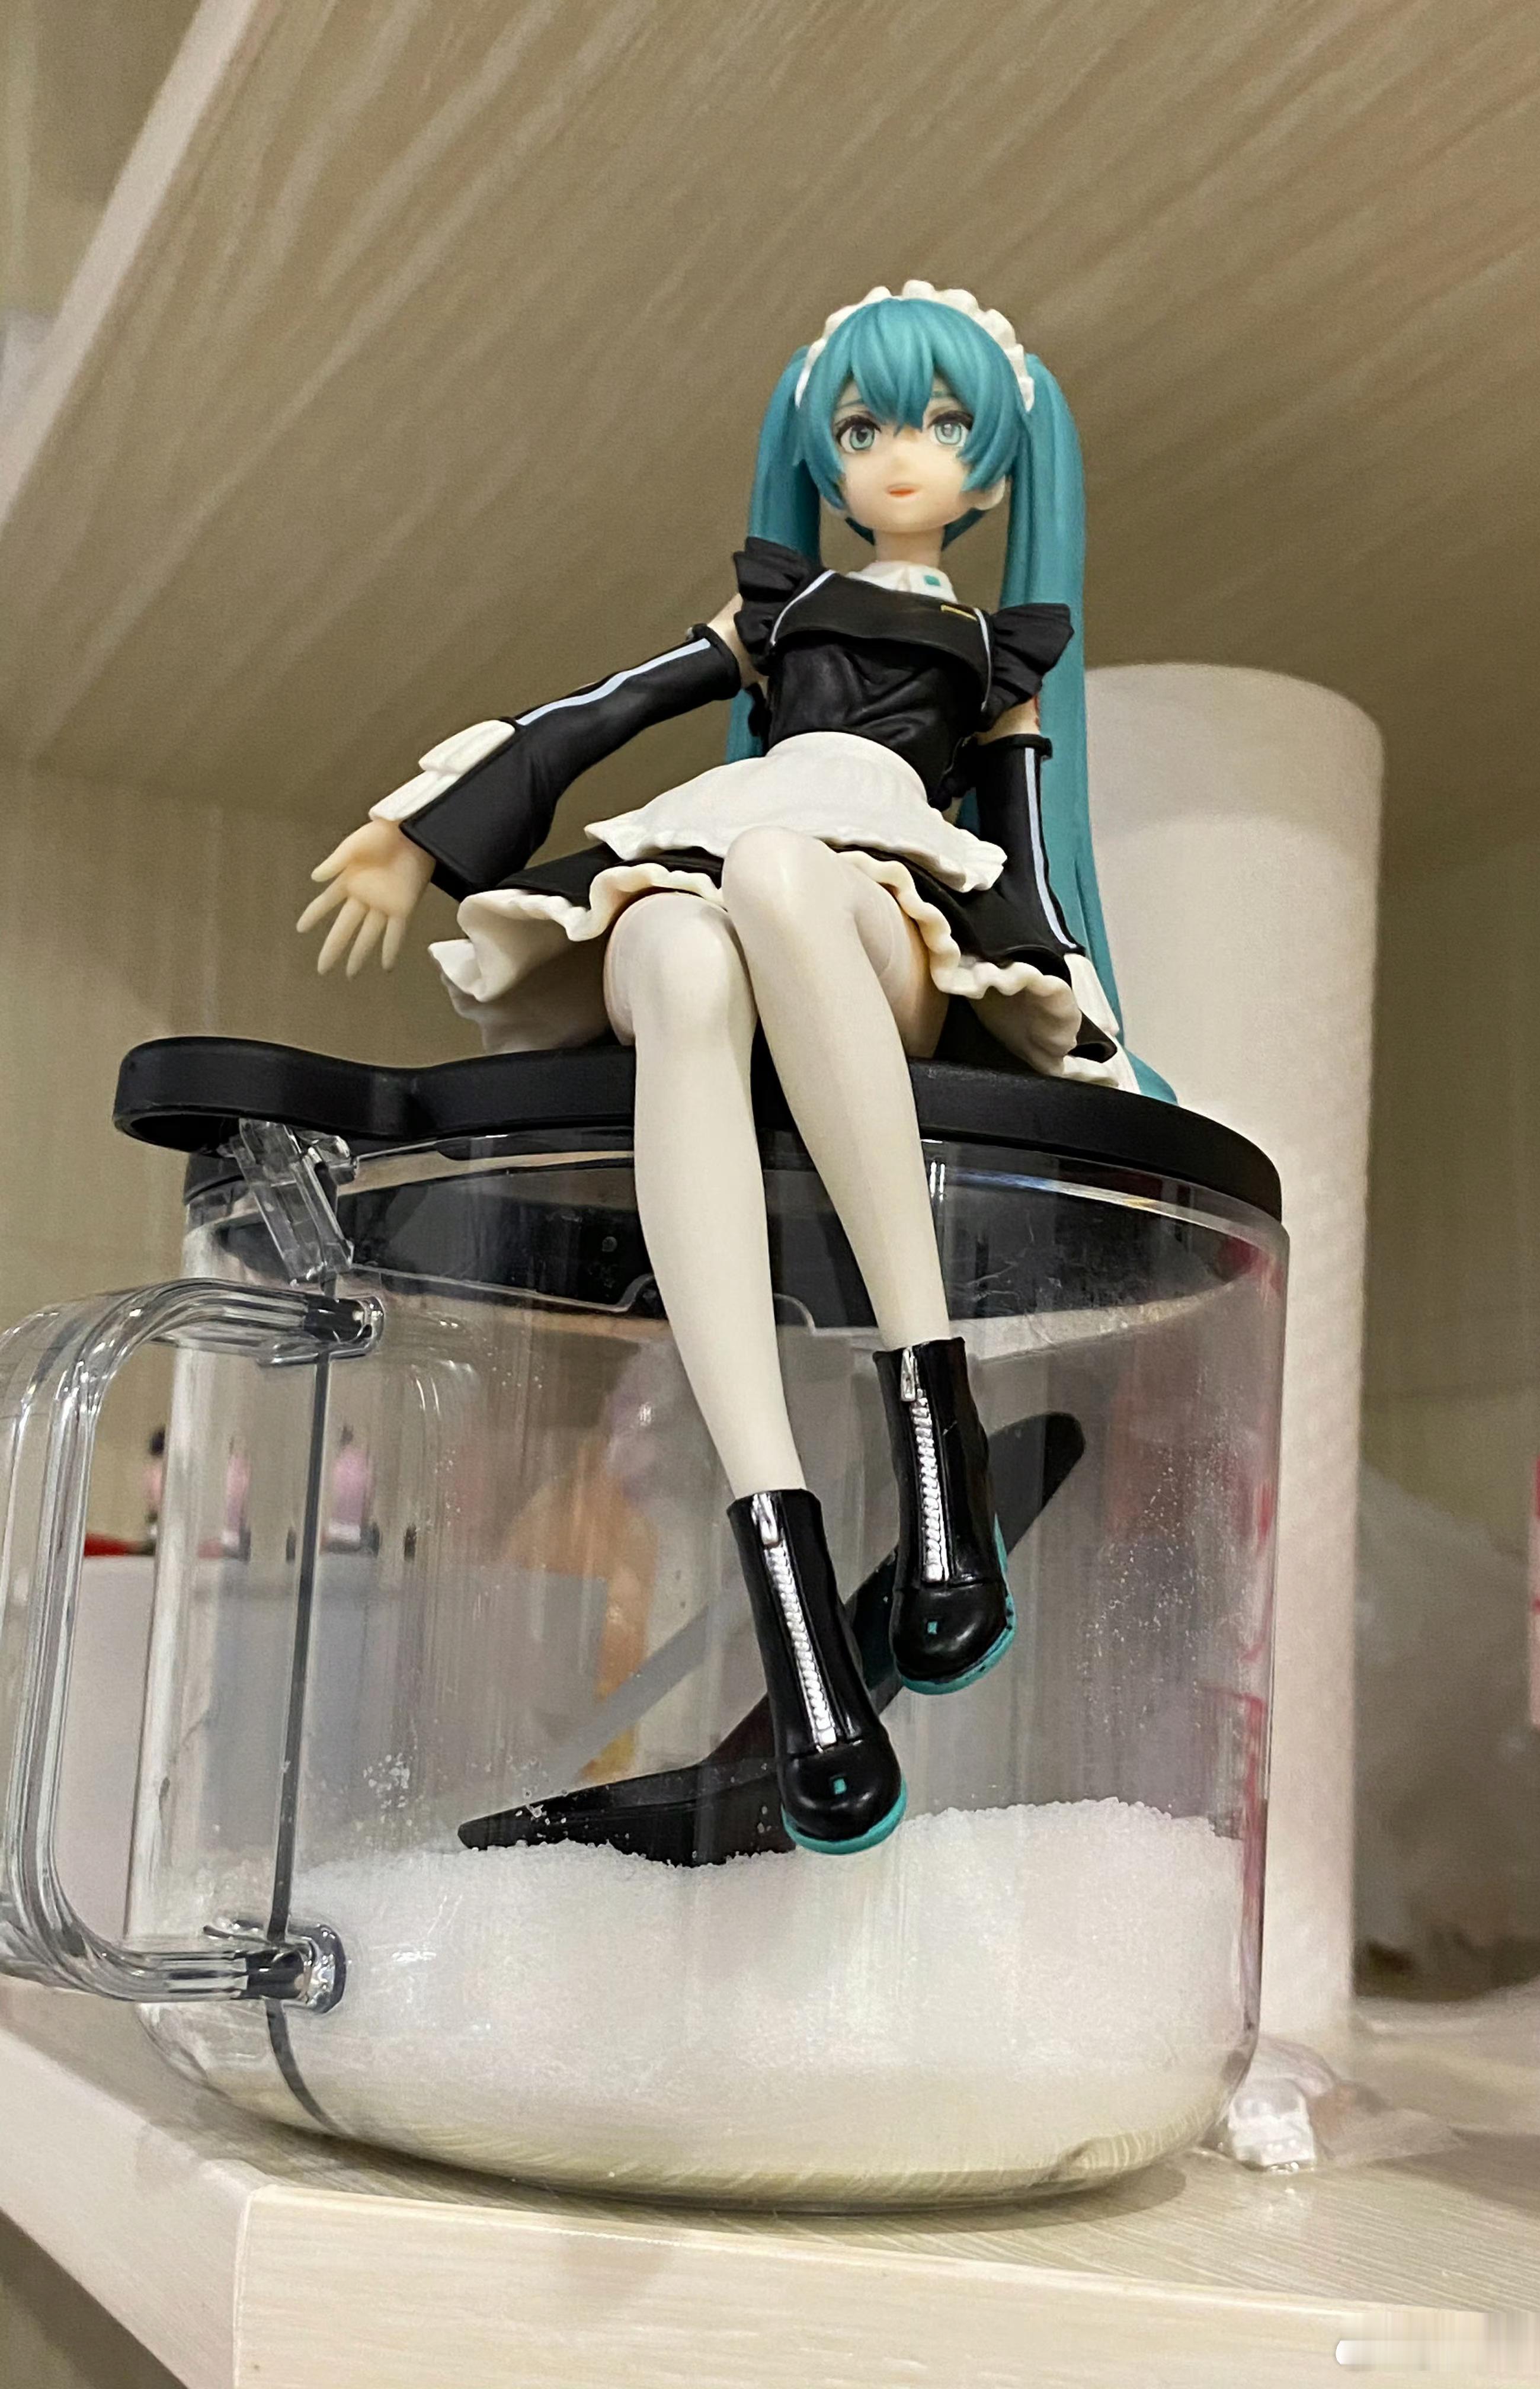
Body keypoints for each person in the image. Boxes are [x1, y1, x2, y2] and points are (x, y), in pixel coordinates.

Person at [298, 282, 1157, 1854]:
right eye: (867, 427)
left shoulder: (998, 655)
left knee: (771, 878)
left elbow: (1031, 846)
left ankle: (939, 1438)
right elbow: (605, 712)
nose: (903, 457)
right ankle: (798, 1612)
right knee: (689, 954)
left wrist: (1075, 1010)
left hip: (873, 903)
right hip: (704, 865)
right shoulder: (774, 617)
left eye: (946, 426)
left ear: (996, 469)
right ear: (823, 454)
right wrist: (421, 834)